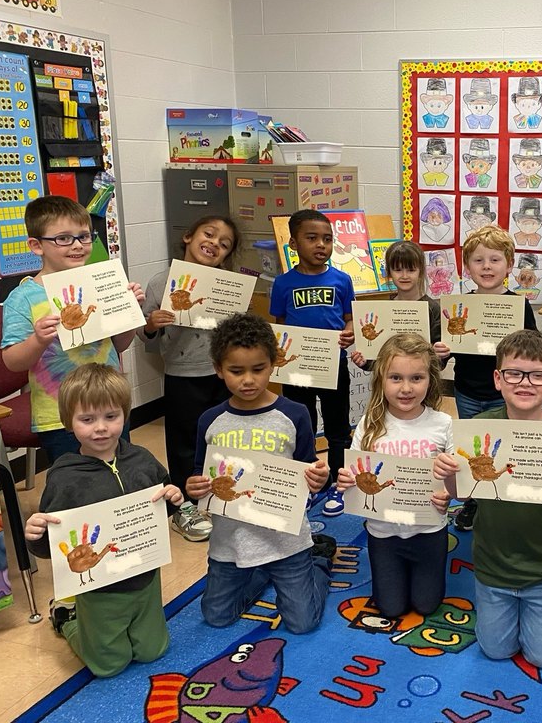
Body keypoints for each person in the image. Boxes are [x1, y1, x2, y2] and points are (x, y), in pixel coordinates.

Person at [433, 330, 542, 669]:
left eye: (537, 375)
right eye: (514, 374)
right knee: (495, 650)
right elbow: (461, 493)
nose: (525, 383)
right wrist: (448, 474)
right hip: (493, 566)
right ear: (498, 379)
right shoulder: (478, 427)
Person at [24, 364, 183, 677]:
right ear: (68, 422)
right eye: (87, 419)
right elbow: (50, 547)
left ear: (125, 415)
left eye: (111, 416)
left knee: (154, 651)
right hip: (100, 591)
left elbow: (160, 509)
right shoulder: (64, 478)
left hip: (145, 578)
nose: (101, 428)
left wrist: (173, 498)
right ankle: (67, 618)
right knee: (109, 666)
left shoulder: (141, 459)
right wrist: (36, 535)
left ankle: (116, 628)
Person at [187, 313, 334, 633]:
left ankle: (319, 565)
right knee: (216, 616)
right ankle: (261, 572)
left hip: (286, 540)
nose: (248, 380)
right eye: (236, 371)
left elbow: (309, 471)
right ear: (218, 369)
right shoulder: (210, 421)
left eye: (258, 369)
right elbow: (200, 473)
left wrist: (319, 479)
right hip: (231, 540)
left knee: (302, 623)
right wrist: (194, 486)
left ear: (274, 364)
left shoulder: (294, 414)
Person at [1, 196, 144, 464]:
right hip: (61, 416)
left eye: (84, 236)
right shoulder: (23, 298)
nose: (77, 245)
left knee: (120, 473)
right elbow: (12, 361)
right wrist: (38, 340)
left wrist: (130, 313)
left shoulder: (99, 284)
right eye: (63, 239)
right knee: (75, 479)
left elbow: (119, 345)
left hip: (110, 406)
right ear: (36, 245)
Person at [138, 215, 239, 543]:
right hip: (182, 374)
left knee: (224, 437)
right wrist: (151, 324)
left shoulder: (228, 284)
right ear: (188, 236)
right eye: (208, 234)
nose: (214, 244)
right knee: (184, 443)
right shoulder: (160, 282)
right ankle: (184, 506)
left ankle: (222, 496)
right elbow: (144, 334)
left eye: (224, 244)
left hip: (223, 375)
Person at [338, 334, 452, 618]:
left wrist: (449, 492)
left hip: (428, 531)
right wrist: (346, 482)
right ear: (381, 379)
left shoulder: (443, 423)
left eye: (417, 378)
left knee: (426, 605)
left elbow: (456, 484)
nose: (406, 388)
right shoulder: (369, 424)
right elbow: (354, 474)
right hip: (384, 533)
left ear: (430, 380)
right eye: (396, 378)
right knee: (390, 608)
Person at [436, 225, 538, 532]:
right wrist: (441, 352)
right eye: (478, 261)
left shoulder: (519, 305)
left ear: (509, 264)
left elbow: (534, 349)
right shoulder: (459, 305)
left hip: (505, 395)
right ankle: (475, 500)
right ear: (467, 267)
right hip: (467, 391)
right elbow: (445, 356)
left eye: (495, 260)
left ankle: (505, 498)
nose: (487, 267)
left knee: (504, 448)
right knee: (474, 450)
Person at [270, 209, 355, 517]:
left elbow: (350, 319)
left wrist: (350, 332)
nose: (321, 245)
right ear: (293, 243)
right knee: (301, 424)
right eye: (312, 238)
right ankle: (306, 481)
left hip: (334, 364)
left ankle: (338, 482)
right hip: (296, 369)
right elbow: (279, 325)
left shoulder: (342, 280)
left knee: (338, 427)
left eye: (327, 239)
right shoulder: (283, 283)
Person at [350, 240, 448, 373]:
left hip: (421, 380)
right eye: (398, 270)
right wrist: (364, 362)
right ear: (389, 272)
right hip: (390, 381)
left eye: (411, 270)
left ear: (420, 271)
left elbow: (440, 363)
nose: (404, 276)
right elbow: (377, 359)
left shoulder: (433, 308)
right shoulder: (383, 309)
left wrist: (440, 354)